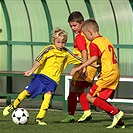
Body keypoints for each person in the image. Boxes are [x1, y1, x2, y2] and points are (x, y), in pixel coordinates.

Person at [3, 28, 84, 126]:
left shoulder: (66, 53)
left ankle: (39, 118)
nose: (61, 45)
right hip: (41, 77)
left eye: (63, 42)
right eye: (58, 42)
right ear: (53, 41)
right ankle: (14, 105)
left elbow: (79, 59)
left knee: (48, 96)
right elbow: (39, 60)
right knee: (27, 92)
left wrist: (93, 63)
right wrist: (31, 70)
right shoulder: (48, 49)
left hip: (53, 81)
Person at [70, 18, 125, 128]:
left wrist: (80, 67)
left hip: (108, 74)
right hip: (115, 72)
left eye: (86, 35)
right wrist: (100, 70)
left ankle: (117, 112)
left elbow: (94, 57)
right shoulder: (106, 40)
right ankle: (119, 123)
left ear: (90, 32)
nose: (87, 38)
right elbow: (107, 58)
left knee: (89, 97)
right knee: (100, 100)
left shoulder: (94, 43)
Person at [61, 11, 97, 123]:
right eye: (71, 26)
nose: (72, 28)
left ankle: (71, 115)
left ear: (81, 23)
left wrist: (83, 67)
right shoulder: (88, 36)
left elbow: (84, 52)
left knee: (73, 89)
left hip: (83, 66)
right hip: (91, 67)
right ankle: (86, 112)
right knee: (79, 90)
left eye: (74, 25)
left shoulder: (80, 37)